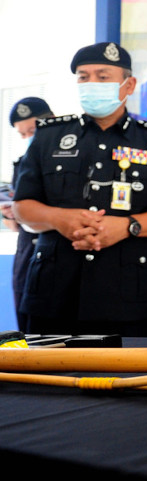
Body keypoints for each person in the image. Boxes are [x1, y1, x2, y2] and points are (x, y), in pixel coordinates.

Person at [12, 42, 147, 336]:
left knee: (122, 380)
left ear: (128, 84)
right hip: (52, 294)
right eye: (83, 77)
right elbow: (22, 206)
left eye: (103, 77)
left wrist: (127, 226)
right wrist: (59, 219)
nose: (91, 84)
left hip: (126, 298)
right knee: (43, 381)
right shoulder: (48, 137)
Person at [3, 97, 54, 330]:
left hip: (54, 251)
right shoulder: (22, 164)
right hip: (26, 253)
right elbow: (16, 225)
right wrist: (10, 215)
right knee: (26, 330)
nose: (27, 138)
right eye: (22, 134)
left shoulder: (69, 160)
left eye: (31, 131)